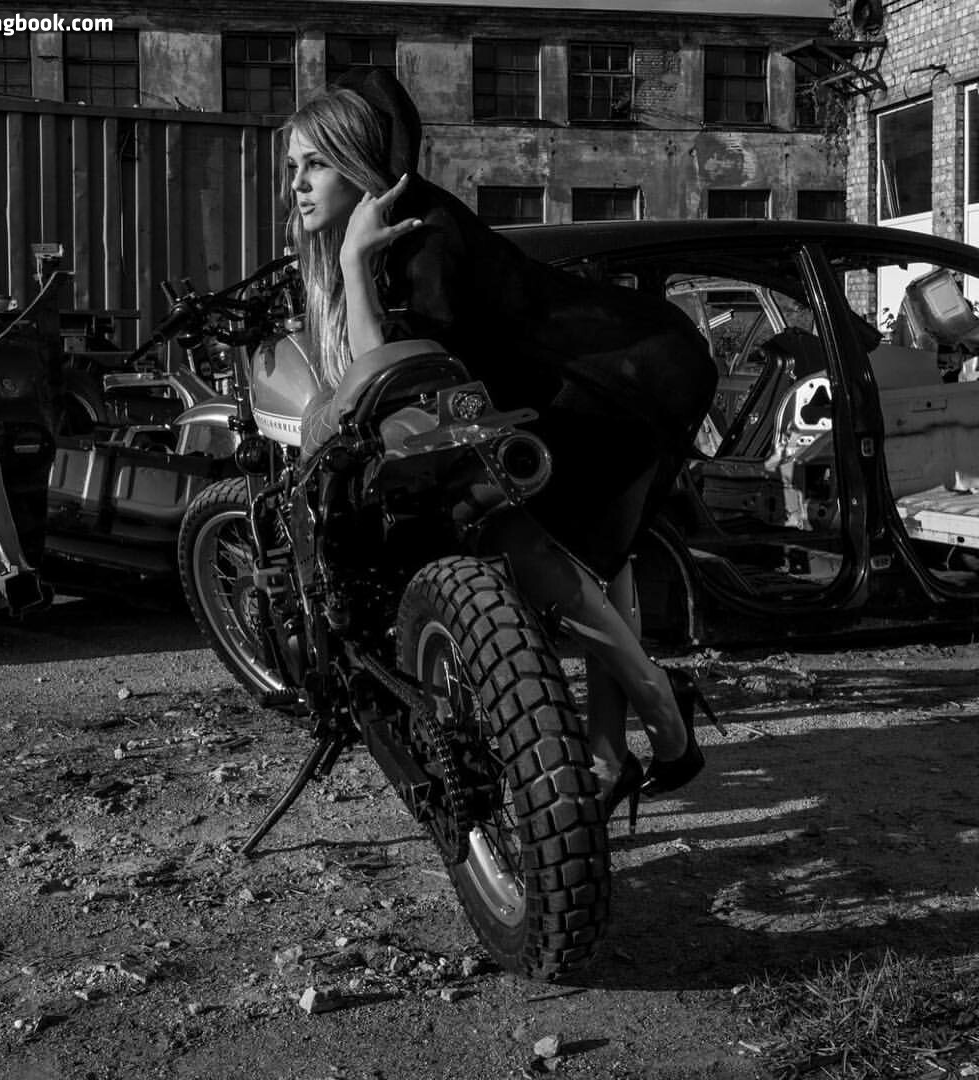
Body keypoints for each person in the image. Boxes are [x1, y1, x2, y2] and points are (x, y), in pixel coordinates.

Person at [284, 67, 720, 830]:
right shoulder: (400, 229)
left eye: (315, 163)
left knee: (540, 547)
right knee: (602, 557)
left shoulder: (422, 237)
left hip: (614, 382)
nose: (297, 184)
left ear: (361, 166)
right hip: (562, 391)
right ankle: (612, 754)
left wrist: (352, 265)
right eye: (292, 166)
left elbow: (384, 378)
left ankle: (660, 709)